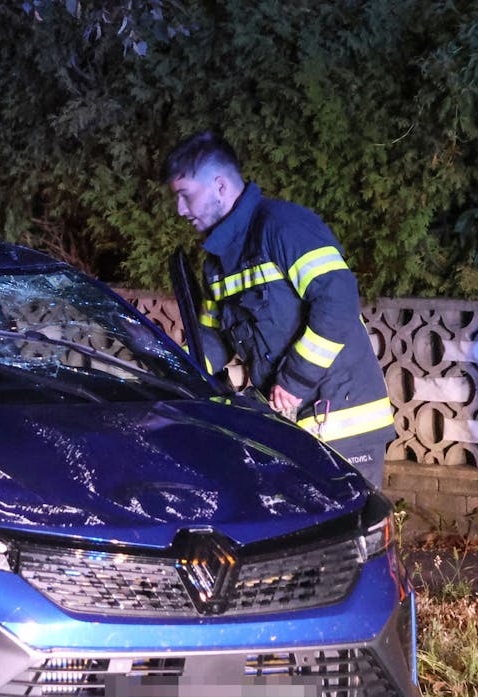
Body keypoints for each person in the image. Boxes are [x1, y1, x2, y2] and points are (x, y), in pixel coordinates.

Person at [163, 131, 394, 486]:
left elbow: (338, 300)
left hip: (341, 418)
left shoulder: (284, 228)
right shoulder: (218, 262)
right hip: (290, 422)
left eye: (185, 195)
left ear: (220, 186)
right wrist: (173, 371)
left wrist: (295, 381)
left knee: (349, 537)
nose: (180, 210)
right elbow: (211, 339)